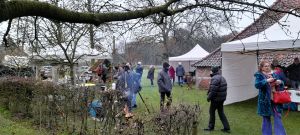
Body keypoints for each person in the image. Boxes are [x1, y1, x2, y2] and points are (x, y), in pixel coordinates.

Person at [254, 60, 286, 135]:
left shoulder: (274, 74)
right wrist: (266, 80)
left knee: (278, 117)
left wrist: (280, 82)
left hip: (275, 99)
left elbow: (282, 82)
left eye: (268, 65)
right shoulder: (259, 75)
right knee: (266, 119)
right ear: (261, 68)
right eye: (265, 66)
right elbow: (257, 85)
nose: (267, 67)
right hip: (265, 101)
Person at [204, 66, 230, 133]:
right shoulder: (221, 77)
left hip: (216, 99)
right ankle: (226, 127)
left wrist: (209, 97)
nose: (210, 71)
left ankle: (211, 127)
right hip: (221, 99)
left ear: (213, 71)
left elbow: (213, 91)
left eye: (211, 70)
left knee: (211, 112)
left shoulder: (215, 78)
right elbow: (214, 88)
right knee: (221, 112)